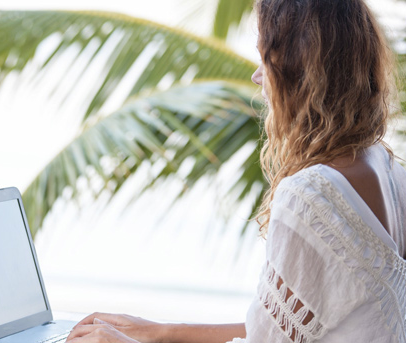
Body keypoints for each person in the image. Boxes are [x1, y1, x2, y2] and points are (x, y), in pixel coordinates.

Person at [65, 0, 406, 342]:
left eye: (266, 60)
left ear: (299, 72)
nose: (258, 76)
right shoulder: (385, 167)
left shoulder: (311, 194)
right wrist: (163, 332)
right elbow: (279, 331)